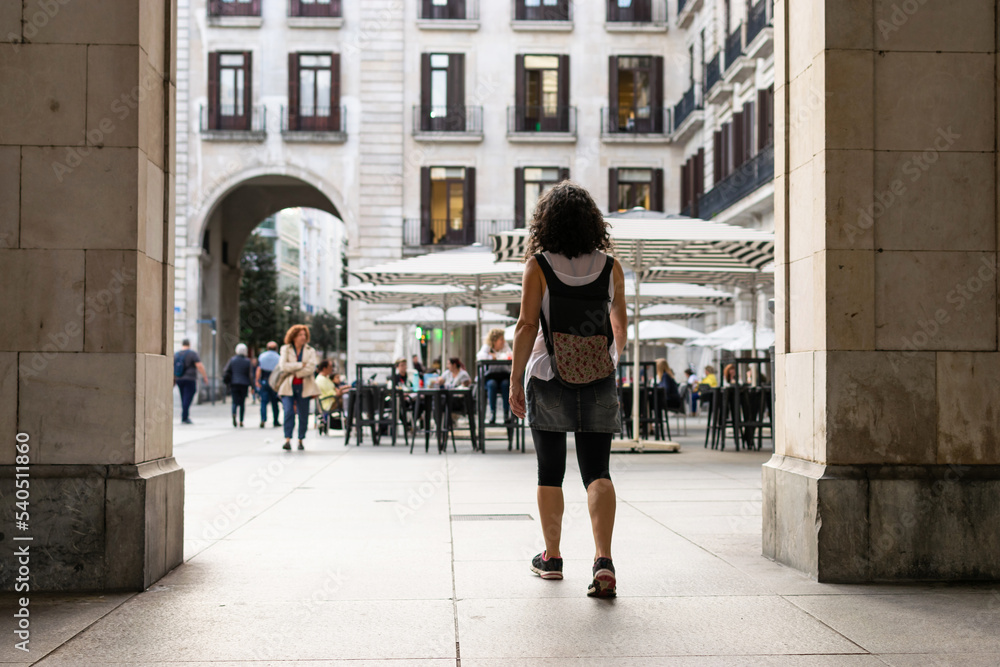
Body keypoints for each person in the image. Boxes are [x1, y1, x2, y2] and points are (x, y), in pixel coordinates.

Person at [508, 180, 627, 599]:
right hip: (598, 376)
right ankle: (604, 561)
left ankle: (553, 558)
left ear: (547, 223)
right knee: (597, 470)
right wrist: (607, 360)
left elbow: (525, 325)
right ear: (592, 223)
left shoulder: (537, 265)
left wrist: (515, 377)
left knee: (550, 470)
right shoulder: (611, 266)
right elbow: (620, 325)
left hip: (547, 374)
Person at [276, 324, 320, 451]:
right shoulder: (286, 349)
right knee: (288, 411)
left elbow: (311, 368)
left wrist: (296, 371)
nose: (303, 337)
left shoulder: (310, 350)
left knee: (303, 414)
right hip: (288, 386)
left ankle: (301, 439)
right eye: (300, 335)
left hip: (304, 386)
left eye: (304, 335)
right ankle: (287, 439)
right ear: (293, 336)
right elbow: (283, 366)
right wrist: (301, 364)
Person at [477, 328, 513, 424]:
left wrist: (495, 356)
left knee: (506, 385)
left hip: (504, 375)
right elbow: (480, 356)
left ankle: (506, 413)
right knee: (491, 385)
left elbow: (510, 355)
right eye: (501, 339)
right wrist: (492, 356)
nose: (503, 341)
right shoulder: (487, 346)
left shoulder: (505, 346)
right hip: (491, 376)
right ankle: (492, 413)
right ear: (494, 340)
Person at [173, 338, 208, 425]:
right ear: (189, 344)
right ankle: (185, 417)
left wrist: (173, 379)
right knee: (188, 396)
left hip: (179, 379)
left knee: (183, 397)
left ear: (182, 344)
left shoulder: (176, 354)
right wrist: (204, 376)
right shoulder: (192, 354)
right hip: (190, 379)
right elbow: (199, 365)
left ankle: (185, 415)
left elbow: (173, 367)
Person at [222, 343, 253, 427]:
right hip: (244, 384)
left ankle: (234, 414)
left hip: (234, 383)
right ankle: (241, 421)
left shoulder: (232, 360)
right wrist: (252, 386)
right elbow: (250, 375)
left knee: (234, 402)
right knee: (242, 403)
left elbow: (226, 370)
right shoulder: (247, 361)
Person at [255, 341, 281, 428]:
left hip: (264, 380)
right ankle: (275, 420)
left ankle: (263, 419)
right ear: (276, 348)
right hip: (274, 382)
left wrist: (257, 381)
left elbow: (259, 369)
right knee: (275, 402)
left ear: (267, 348)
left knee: (263, 402)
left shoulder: (262, 356)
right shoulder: (279, 357)